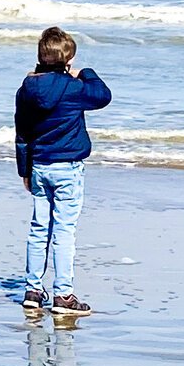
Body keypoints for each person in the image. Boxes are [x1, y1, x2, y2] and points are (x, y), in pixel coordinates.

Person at [15, 26, 111, 323]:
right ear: (67, 61)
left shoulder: (28, 88)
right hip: (67, 167)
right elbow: (103, 96)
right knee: (64, 231)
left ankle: (33, 290)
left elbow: (22, 132)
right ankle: (63, 294)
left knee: (39, 228)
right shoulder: (74, 87)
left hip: (40, 165)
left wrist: (24, 169)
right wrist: (87, 73)